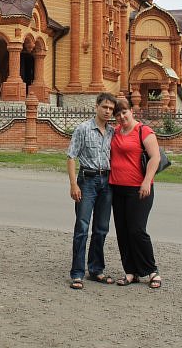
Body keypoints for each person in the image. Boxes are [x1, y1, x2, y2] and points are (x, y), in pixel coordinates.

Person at [109, 98, 162, 289]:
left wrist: (147, 180)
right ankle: (131, 272)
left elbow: (155, 157)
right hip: (116, 188)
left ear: (131, 111)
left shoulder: (143, 131)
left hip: (139, 189)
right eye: (117, 114)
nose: (121, 117)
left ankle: (152, 270)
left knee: (137, 230)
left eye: (124, 112)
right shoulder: (114, 132)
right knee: (123, 232)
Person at [67, 92, 117, 290]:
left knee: (101, 228)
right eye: (104, 107)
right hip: (87, 180)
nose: (107, 111)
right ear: (96, 106)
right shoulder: (83, 129)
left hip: (107, 181)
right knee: (82, 227)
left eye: (111, 109)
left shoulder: (112, 132)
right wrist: (73, 184)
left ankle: (96, 269)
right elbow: (71, 157)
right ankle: (77, 273)